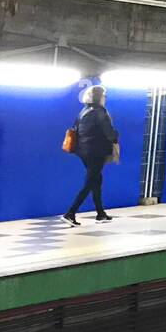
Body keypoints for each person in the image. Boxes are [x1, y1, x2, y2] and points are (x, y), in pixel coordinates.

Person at [63, 84, 117, 226]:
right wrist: (116, 136)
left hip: (83, 152)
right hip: (96, 152)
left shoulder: (84, 111)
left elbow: (76, 129)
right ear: (99, 97)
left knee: (96, 180)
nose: (105, 98)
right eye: (104, 96)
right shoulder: (101, 112)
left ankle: (101, 214)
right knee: (90, 182)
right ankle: (70, 213)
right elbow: (110, 134)